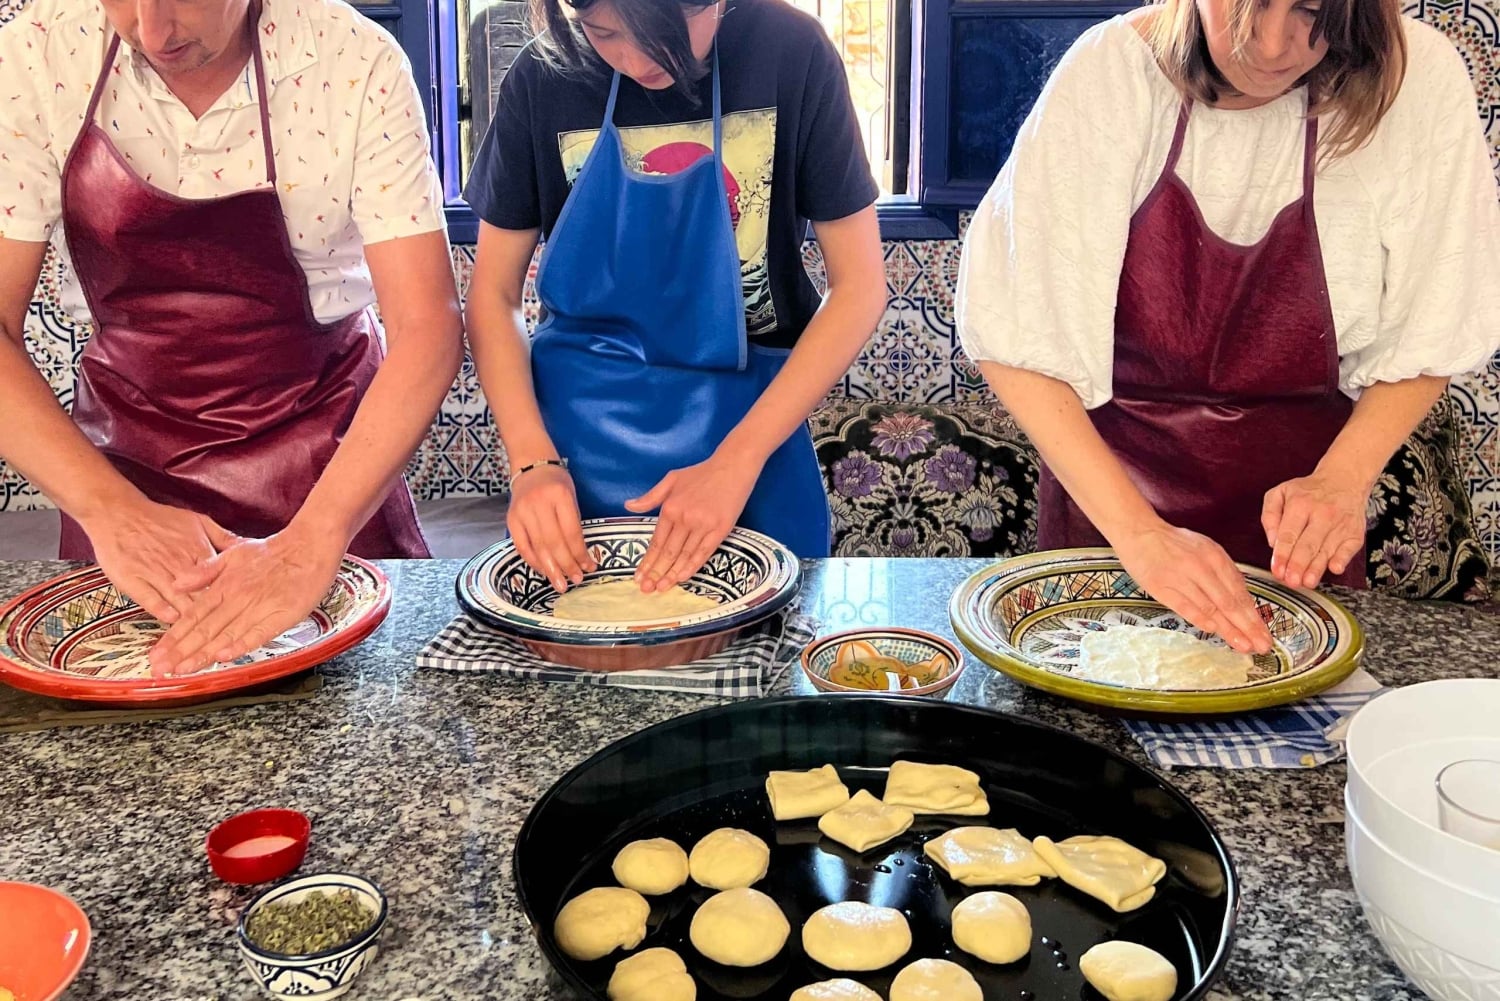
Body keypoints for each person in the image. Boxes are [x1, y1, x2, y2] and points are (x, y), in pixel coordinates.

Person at [956, 0, 1500, 652]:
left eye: (1309, 10)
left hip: (1297, 540)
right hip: (1110, 519)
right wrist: (1139, 534)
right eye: (1249, 6)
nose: (1272, 46)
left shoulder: (1417, 82)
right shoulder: (1111, 76)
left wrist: (1342, 480)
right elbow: (1015, 337)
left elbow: (1434, 322)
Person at [0, 0, 464, 673]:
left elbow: (428, 326)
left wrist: (314, 538)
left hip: (327, 460)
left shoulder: (354, 62)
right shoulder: (37, 56)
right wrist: (112, 510)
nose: (152, 30)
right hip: (125, 463)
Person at [462, 0, 886, 595]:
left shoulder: (790, 52)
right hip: (577, 445)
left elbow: (860, 287)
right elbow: (494, 294)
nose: (636, 61)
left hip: (750, 431)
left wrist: (738, 461)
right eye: (606, 33)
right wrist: (532, 461)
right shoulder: (542, 75)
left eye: (662, 34)